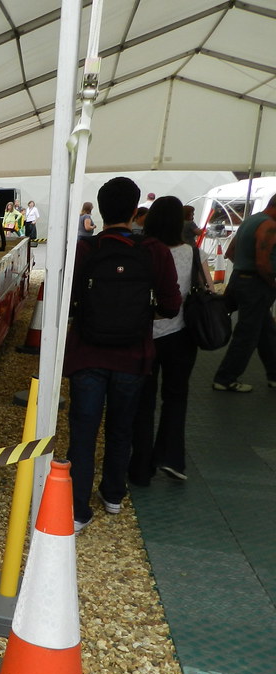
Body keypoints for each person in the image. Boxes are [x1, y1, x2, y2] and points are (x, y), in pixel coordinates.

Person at [64, 176, 181, 532]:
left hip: (88, 355)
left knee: (83, 432)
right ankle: (113, 495)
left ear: (99, 210)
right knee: (121, 427)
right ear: (135, 211)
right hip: (133, 357)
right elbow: (172, 305)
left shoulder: (84, 250)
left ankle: (77, 510)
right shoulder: (155, 251)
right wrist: (143, 316)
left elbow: (65, 302)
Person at [129, 196, 209, 485]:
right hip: (181, 335)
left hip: (145, 334)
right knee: (176, 397)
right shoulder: (192, 251)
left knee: (144, 401)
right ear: (180, 222)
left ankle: (141, 467)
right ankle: (172, 458)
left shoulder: (143, 250)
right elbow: (207, 287)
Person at [211, 194, 276, 393]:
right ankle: (225, 378)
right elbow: (262, 262)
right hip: (256, 284)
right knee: (247, 334)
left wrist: (242, 270)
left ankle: (274, 375)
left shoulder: (251, 220)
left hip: (241, 279)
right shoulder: (269, 226)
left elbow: (231, 252)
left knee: (266, 332)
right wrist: (271, 283)